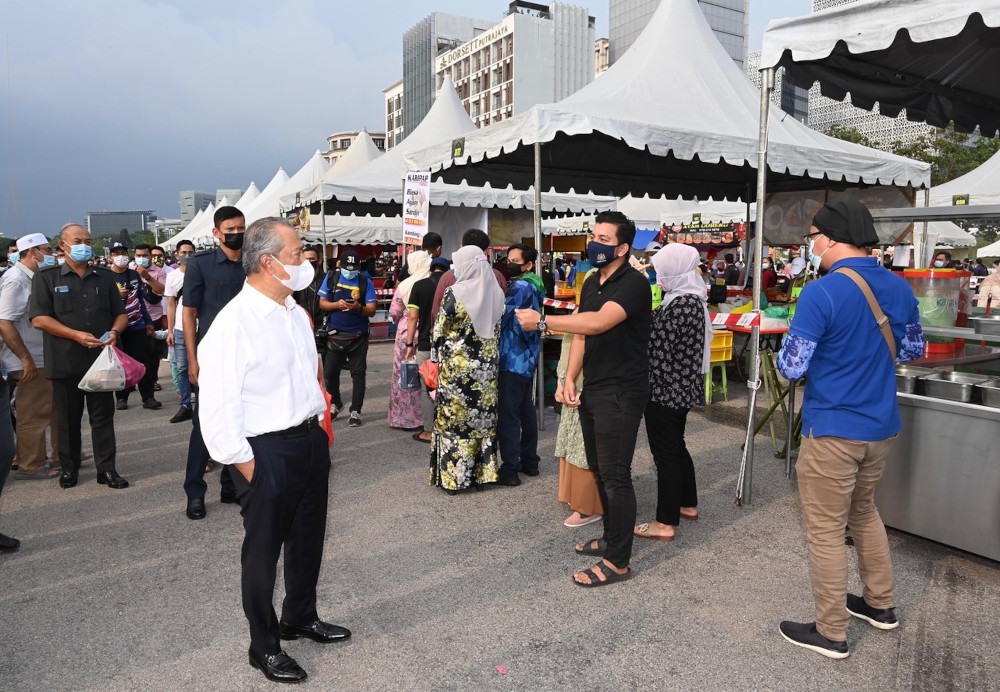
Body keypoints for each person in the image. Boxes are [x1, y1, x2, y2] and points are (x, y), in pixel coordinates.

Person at [199, 217, 347, 684]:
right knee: (262, 553)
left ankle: (299, 616)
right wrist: (248, 466)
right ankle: (263, 646)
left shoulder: (295, 313)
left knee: (308, 539)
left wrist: (321, 433)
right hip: (265, 450)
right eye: (298, 253)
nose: (306, 261)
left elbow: (309, 379)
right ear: (268, 261)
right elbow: (217, 408)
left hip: (308, 441)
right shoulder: (233, 325)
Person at [776, 200, 924, 659]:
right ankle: (880, 605)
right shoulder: (898, 288)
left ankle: (831, 630)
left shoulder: (821, 293)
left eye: (813, 237)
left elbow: (791, 367)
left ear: (831, 238)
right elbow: (913, 349)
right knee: (863, 513)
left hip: (834, 428)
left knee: (824, 530)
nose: (810, 246)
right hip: (881, 425)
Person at [516, 211, 651, 588]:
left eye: (605, 239)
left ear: (623, 247)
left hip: (623, 391)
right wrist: (570, 377)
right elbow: (582, 334)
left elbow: (597, 323)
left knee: (615, 475)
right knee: (599, 470)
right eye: (594, 236)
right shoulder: (592, 280)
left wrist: (543, 322)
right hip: (595, 386)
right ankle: (611, 538)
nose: (595, 244)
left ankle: (618, 561)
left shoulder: (634, 283)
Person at [29, 223, 129, 489]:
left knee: (102, 418)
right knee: (67, 421)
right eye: (78, 240)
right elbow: (39, 319)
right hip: (65, 360)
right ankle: (69, 468)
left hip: (99, 361)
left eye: (88, 240)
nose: (84, 245)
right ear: (63, 245)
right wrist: (74, 335)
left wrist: (115, 332)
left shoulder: (104, 277)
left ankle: (106, 470)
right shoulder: (47, 277)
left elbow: (120, 313)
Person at [633, 244, 713, 543]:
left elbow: (657, 351)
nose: (658, 277)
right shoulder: (689, 299)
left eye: (661, 271)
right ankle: (687, 504)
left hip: (666, 390)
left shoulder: (682, 305)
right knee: (676, 447)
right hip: (680, 388)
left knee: (664, 453)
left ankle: (664, 522)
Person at [181, 205, 247, 520]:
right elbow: (189, 313)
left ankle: (230, 486)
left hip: (247, 356)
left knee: (241, 421)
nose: (236, 234)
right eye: (230, 229)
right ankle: (195, 492)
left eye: (240, 228)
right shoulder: (200, 264)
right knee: (203, 426)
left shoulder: (254, 262)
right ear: (216, 232)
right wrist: (192, 360)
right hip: (211, 357)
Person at [429, 245, 505, 494]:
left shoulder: (455, 293)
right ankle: (482, 475)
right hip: (487, 373)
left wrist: (434, 356)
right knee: (482, 421)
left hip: (457, 373)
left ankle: (455, 479)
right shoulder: (497, 292)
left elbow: (439, 332)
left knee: (455, 422)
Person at [0, 233, 60, 480]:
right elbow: (4, 322)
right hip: (29, 357)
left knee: (53, 408)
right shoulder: (15, 280)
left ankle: (59, 454)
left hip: (42, 354)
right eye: (47, 250)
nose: (51, 255)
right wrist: (24, 358)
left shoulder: (34, 277)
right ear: (33, 252)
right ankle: (31, 465)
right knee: (33, 412)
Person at [555, 271, 604, 528]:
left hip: (588, 387)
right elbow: (569, 347)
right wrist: (563, 380)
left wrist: (568, 381)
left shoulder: (601, 315)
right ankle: (577, 498)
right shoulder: (585, 310)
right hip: (575, 384)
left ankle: (588, 505)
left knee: (584, 448)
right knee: (572, 444)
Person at [496, 243, 544, 486]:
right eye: (509, 258)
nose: (510, 262)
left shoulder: (520, 287)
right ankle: (530, 462)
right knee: (526, 411)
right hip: (527, 356)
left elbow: (501, 317)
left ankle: (510, 469)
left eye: (516, 260)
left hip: (512, 356)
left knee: (509, 415)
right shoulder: (536, 285)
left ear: (528, 264)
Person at [318, 249, 378, 428]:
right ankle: (336, 403)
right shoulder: (331, 277)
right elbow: (322, 303)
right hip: (335, 335)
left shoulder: (365, 282)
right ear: (339, 265)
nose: (350, 272)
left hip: (358, 336)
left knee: (358, 374)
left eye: (353, 268)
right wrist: (336, 304)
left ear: (359, 267)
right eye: (347, 268)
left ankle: (356, 410)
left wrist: (358, 307)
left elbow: (372, 310)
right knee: (329, 374)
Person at [107, 241, 160, 411]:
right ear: (110, 257)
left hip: (137, 325)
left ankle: (148, 397)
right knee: (120, 363)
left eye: (123, 253)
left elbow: (140, 300)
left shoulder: (133, 275)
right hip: (118, 328)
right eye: (116, 253)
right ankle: (122, 397)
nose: (120, 257)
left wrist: (148, 321)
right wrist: (117, 296)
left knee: (144, 362)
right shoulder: (106, 277)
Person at [404, 257, 449, 443]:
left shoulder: (419, 285)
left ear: (430, 270)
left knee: (427, 388)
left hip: (425, 344)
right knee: (449, 387)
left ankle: (429, 431)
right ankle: (448, 429)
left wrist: (409, 345)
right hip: (449, 345)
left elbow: (413, 318)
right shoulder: (453, 284)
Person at [387, 250, 431, 430]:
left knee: (404, 375)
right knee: (427, 375)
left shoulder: (405, 285)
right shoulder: (434, 282)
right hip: (428, 333)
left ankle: (405, 418)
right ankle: (427, 417)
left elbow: (394, 313)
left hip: (407, 335)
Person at [431, 229, 508, 318]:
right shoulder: (497, 277)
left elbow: (436, 311)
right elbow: (503, 309)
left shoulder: (448, 278)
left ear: (461, 247)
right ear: (486, 251)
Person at [164, 240, 195, 423]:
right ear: (177, 255)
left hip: (201, 326)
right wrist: (170, 330)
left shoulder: (202, 273)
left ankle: (205, 404)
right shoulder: (173, 277)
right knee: (182, 368)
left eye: (191, 252)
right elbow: (170, 304)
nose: (187, 255)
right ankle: (185, 405)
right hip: (181, 328)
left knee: (204, 366)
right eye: (184, 252)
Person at [133, 243, 168, 392]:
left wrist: (146, 277)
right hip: (134, 316)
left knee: (153, 352)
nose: (142, 258)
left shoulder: (159, 272)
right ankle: (133, 380)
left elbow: (162, 290)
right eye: (138, 256)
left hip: (154, 316)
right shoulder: (129, 271)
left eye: (145, 255)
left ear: (150, 256)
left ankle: (152, 380)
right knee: (134, 351)